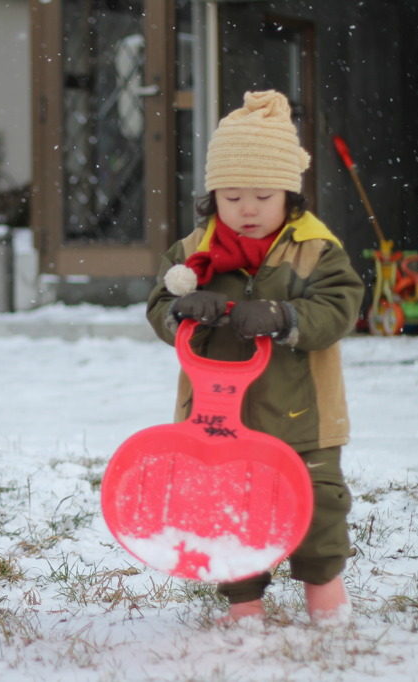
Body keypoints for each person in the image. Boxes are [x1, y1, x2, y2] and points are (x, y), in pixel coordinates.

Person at [146, 91, 364, 626]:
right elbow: (159, 308)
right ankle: (244, 605)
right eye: (232, 195)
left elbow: (338, 308)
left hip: (303, 414)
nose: (247, 209)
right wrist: (182, 313)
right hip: (219, 418)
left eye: (263, 195)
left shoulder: (316, 250)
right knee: (228, 511)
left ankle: (325, 595)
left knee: (319, 507)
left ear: (290, 196)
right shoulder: (192, 252)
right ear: (212, 196)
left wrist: (284, 317)